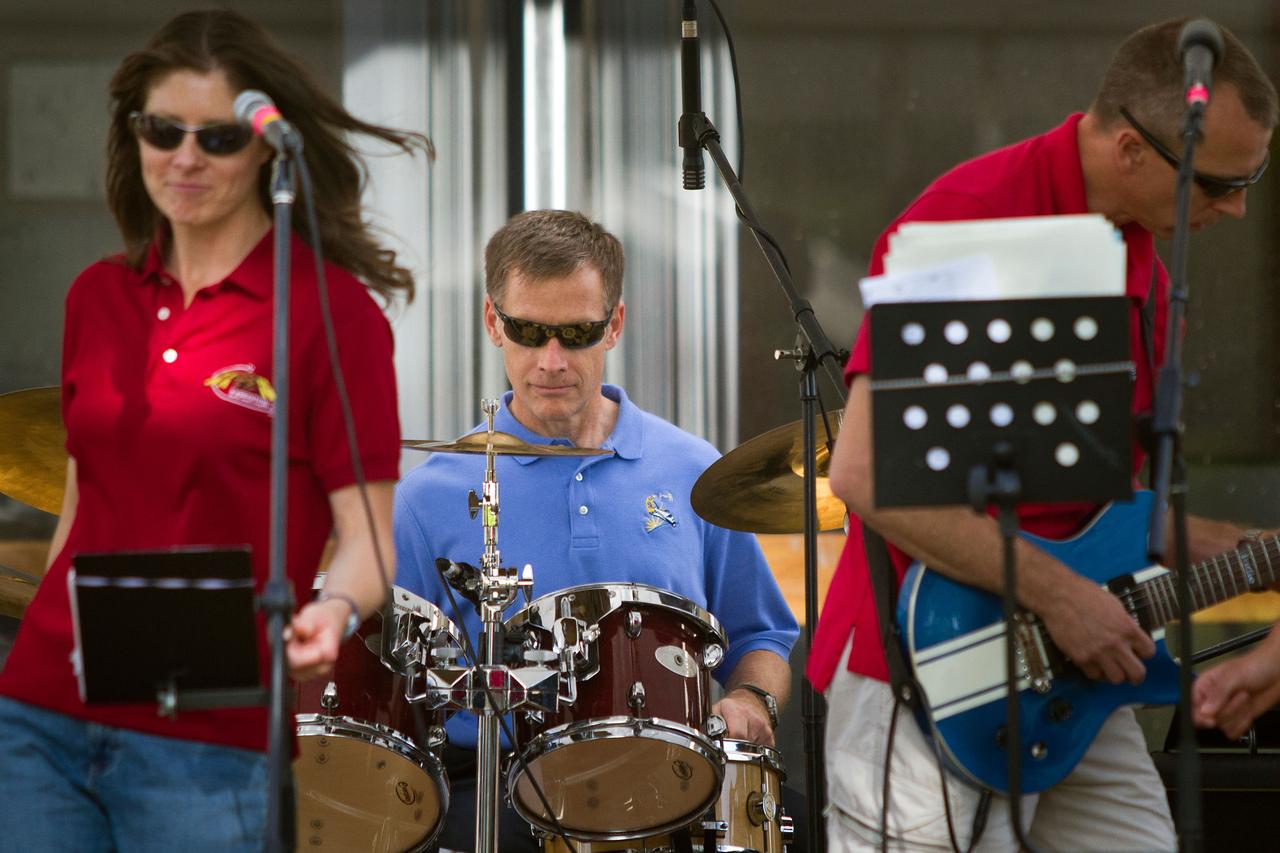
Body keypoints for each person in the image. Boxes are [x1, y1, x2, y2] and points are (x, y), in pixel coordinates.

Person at [807, 18, 1277, 853]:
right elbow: (864, 475)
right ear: (1131, 150)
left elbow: (1103, 515)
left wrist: (1243, 550)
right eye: (1214, 183)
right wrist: (1067, 599)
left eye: (1252, 180)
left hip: (1070, 678)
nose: (1238, 209)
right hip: (925, 665)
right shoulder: (967, 221)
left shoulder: (1143, 265)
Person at [0, 9, 428, 851]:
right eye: (163, 131)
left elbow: (369, 541)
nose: (185, 157)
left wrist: (333, 607)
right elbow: (82, 503)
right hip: (41, 712)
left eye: (219, 137)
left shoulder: (330, 313)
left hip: (206, 731)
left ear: (267, 146)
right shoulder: (97, 295)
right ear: (136, 136)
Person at [394, 209, 800, 852]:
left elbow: (762, 631)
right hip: (497, 796)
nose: (551, 361)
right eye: (528, 331)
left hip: (675, 784)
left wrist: (750, 698)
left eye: (576, 333)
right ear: (492, 323)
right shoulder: (430, 495)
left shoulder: (696, 471)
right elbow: (394, 682)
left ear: (615, 324)